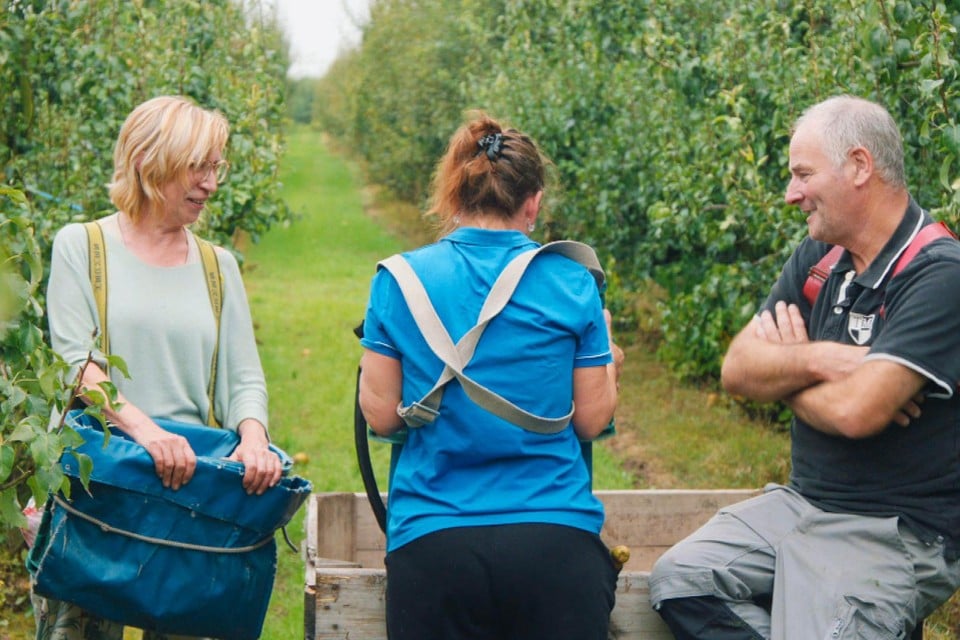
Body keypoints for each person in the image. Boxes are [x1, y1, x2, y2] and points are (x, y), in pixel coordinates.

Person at [648, 95, 960, 639]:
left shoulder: (938, 275)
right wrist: (826, 358)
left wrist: (785, 372)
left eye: (802, 174)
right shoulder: (820, 261)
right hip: (801, 506)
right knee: (681, 579)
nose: (791, 194)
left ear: (859, 166)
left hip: (893, 531)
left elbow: (857, 411)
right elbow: (738, 369)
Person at [358, 112, 625, 640]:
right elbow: (592, 420)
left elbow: (383, 417)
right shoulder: (574, 282)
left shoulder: (398, 280)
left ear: (454, 196)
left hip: (433, 543)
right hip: (555, 542)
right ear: (534, 202)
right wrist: (608, 359)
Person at [37, 95, 284, 639]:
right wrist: (147, 434)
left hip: (191, 497)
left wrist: (254, 438)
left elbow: (244, 378)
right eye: (199, 166)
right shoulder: (84, 247)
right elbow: (75, 364)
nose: (211, 183)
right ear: (150, 162)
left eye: (216, 167)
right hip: (102, 486)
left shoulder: (219, 267)